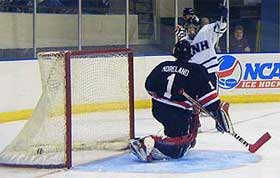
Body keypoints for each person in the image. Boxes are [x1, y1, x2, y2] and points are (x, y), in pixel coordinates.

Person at [129, 40, 234, 162]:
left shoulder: (163, 65)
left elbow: (149, 87)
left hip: (158, 109)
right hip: (178, 113)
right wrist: (218, 115)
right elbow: (211, 101)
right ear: (191, 54)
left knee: (187, 141)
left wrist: (166, 97)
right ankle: (148, 142)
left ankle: (164, 142)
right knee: (178, 150)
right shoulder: (197, 70)